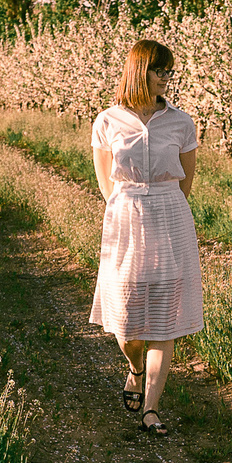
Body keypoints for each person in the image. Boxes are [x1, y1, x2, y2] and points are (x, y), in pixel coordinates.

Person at [90, 39, 202, 436]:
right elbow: (107, 183)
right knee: (126, 319)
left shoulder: (181, 122)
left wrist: (161, 206)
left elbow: (185, 180)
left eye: (170, 71)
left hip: (170, 216)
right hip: (125, 217)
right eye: (161, 71)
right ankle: (135, 368)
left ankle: (151, 409)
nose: (167, 78)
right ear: (141, 71)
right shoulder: (107, 121)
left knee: (165, 320)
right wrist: (132, 206)